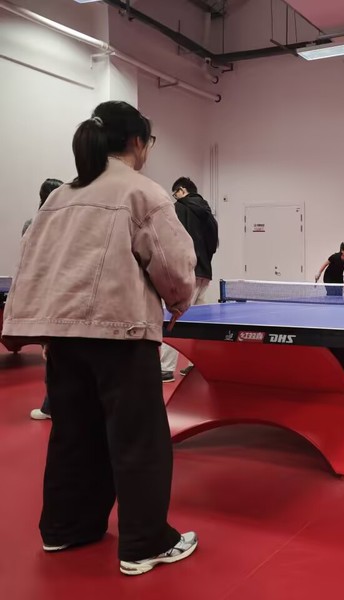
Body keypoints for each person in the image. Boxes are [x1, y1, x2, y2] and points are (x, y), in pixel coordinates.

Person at [1, 101, 199, 575]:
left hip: (62, 335)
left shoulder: (59, 196)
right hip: (120, 333)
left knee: (74, 434)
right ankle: (145, 544)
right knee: (138, 439)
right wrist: (178, 301)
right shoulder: (142, 191)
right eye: (149, 141)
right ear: (137, 142)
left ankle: (66, 529)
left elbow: (32, 259)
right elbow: (173, 264)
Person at [160, 176, 218, 382]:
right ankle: (197, 364)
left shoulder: (179, 208)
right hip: (204, 272)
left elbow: (172, 239)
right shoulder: (208, 212)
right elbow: (213, 244)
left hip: (186, 270)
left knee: (173, 319)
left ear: (182, 190)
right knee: (198, 322)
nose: (174, 196)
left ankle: (165, 368)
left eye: (175, 192)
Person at [24, 178, 64, 421]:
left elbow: (29, 263)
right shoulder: (71, 222)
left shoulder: (33, 225)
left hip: (47, 296)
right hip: (65, 294)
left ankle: (51, 406)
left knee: (52, 354)